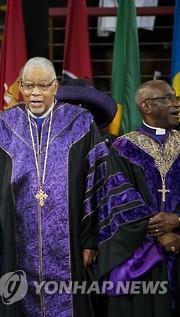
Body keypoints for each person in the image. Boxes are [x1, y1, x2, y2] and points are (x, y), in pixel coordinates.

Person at [0, 57, 105, 316]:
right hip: (16, 240)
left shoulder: (80, 123)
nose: (35, 93)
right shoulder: (2, 127)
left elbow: (98, 183)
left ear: (56, 86)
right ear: (20, 87)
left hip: (69, 243)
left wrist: (90, 240)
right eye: (28, 85)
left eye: (43, 85)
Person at [94, 80, 180, 317]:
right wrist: (161, 232)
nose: (176, 104)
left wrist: (177, 221)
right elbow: (119, 198)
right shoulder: (123, 147)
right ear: (146, 106)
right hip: (142, 254)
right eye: (167, 98)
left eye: (176, 98)